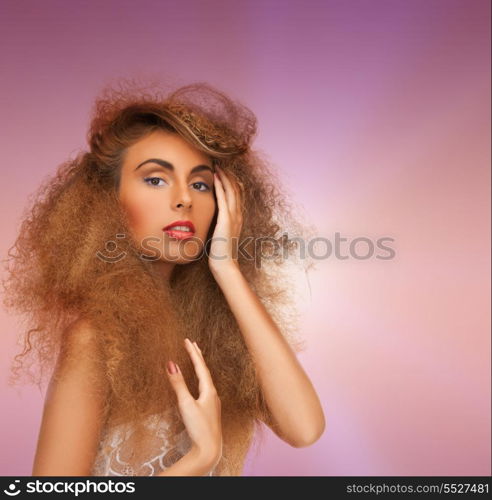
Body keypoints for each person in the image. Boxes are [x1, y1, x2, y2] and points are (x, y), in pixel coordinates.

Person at [2, 79, 325, 476]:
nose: (183, 198)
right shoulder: (95, 340)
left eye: (200, 183)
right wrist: (198, 459)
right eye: (155, 178)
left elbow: (304, 429)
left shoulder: (218, 333)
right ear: (108, 201)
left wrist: (226, 268)